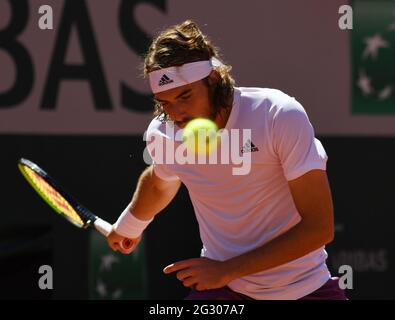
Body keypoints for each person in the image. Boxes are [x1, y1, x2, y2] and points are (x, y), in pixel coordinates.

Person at [107, 20, 347, 300]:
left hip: (305, 289)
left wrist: (226, 270)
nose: (177, 114)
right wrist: (129, 227)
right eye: (166, 102)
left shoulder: (277, 115)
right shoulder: (165, 134)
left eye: (185, 96)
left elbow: (318, 227)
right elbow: (161, 182)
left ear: (213, 80)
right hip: (226, 292)